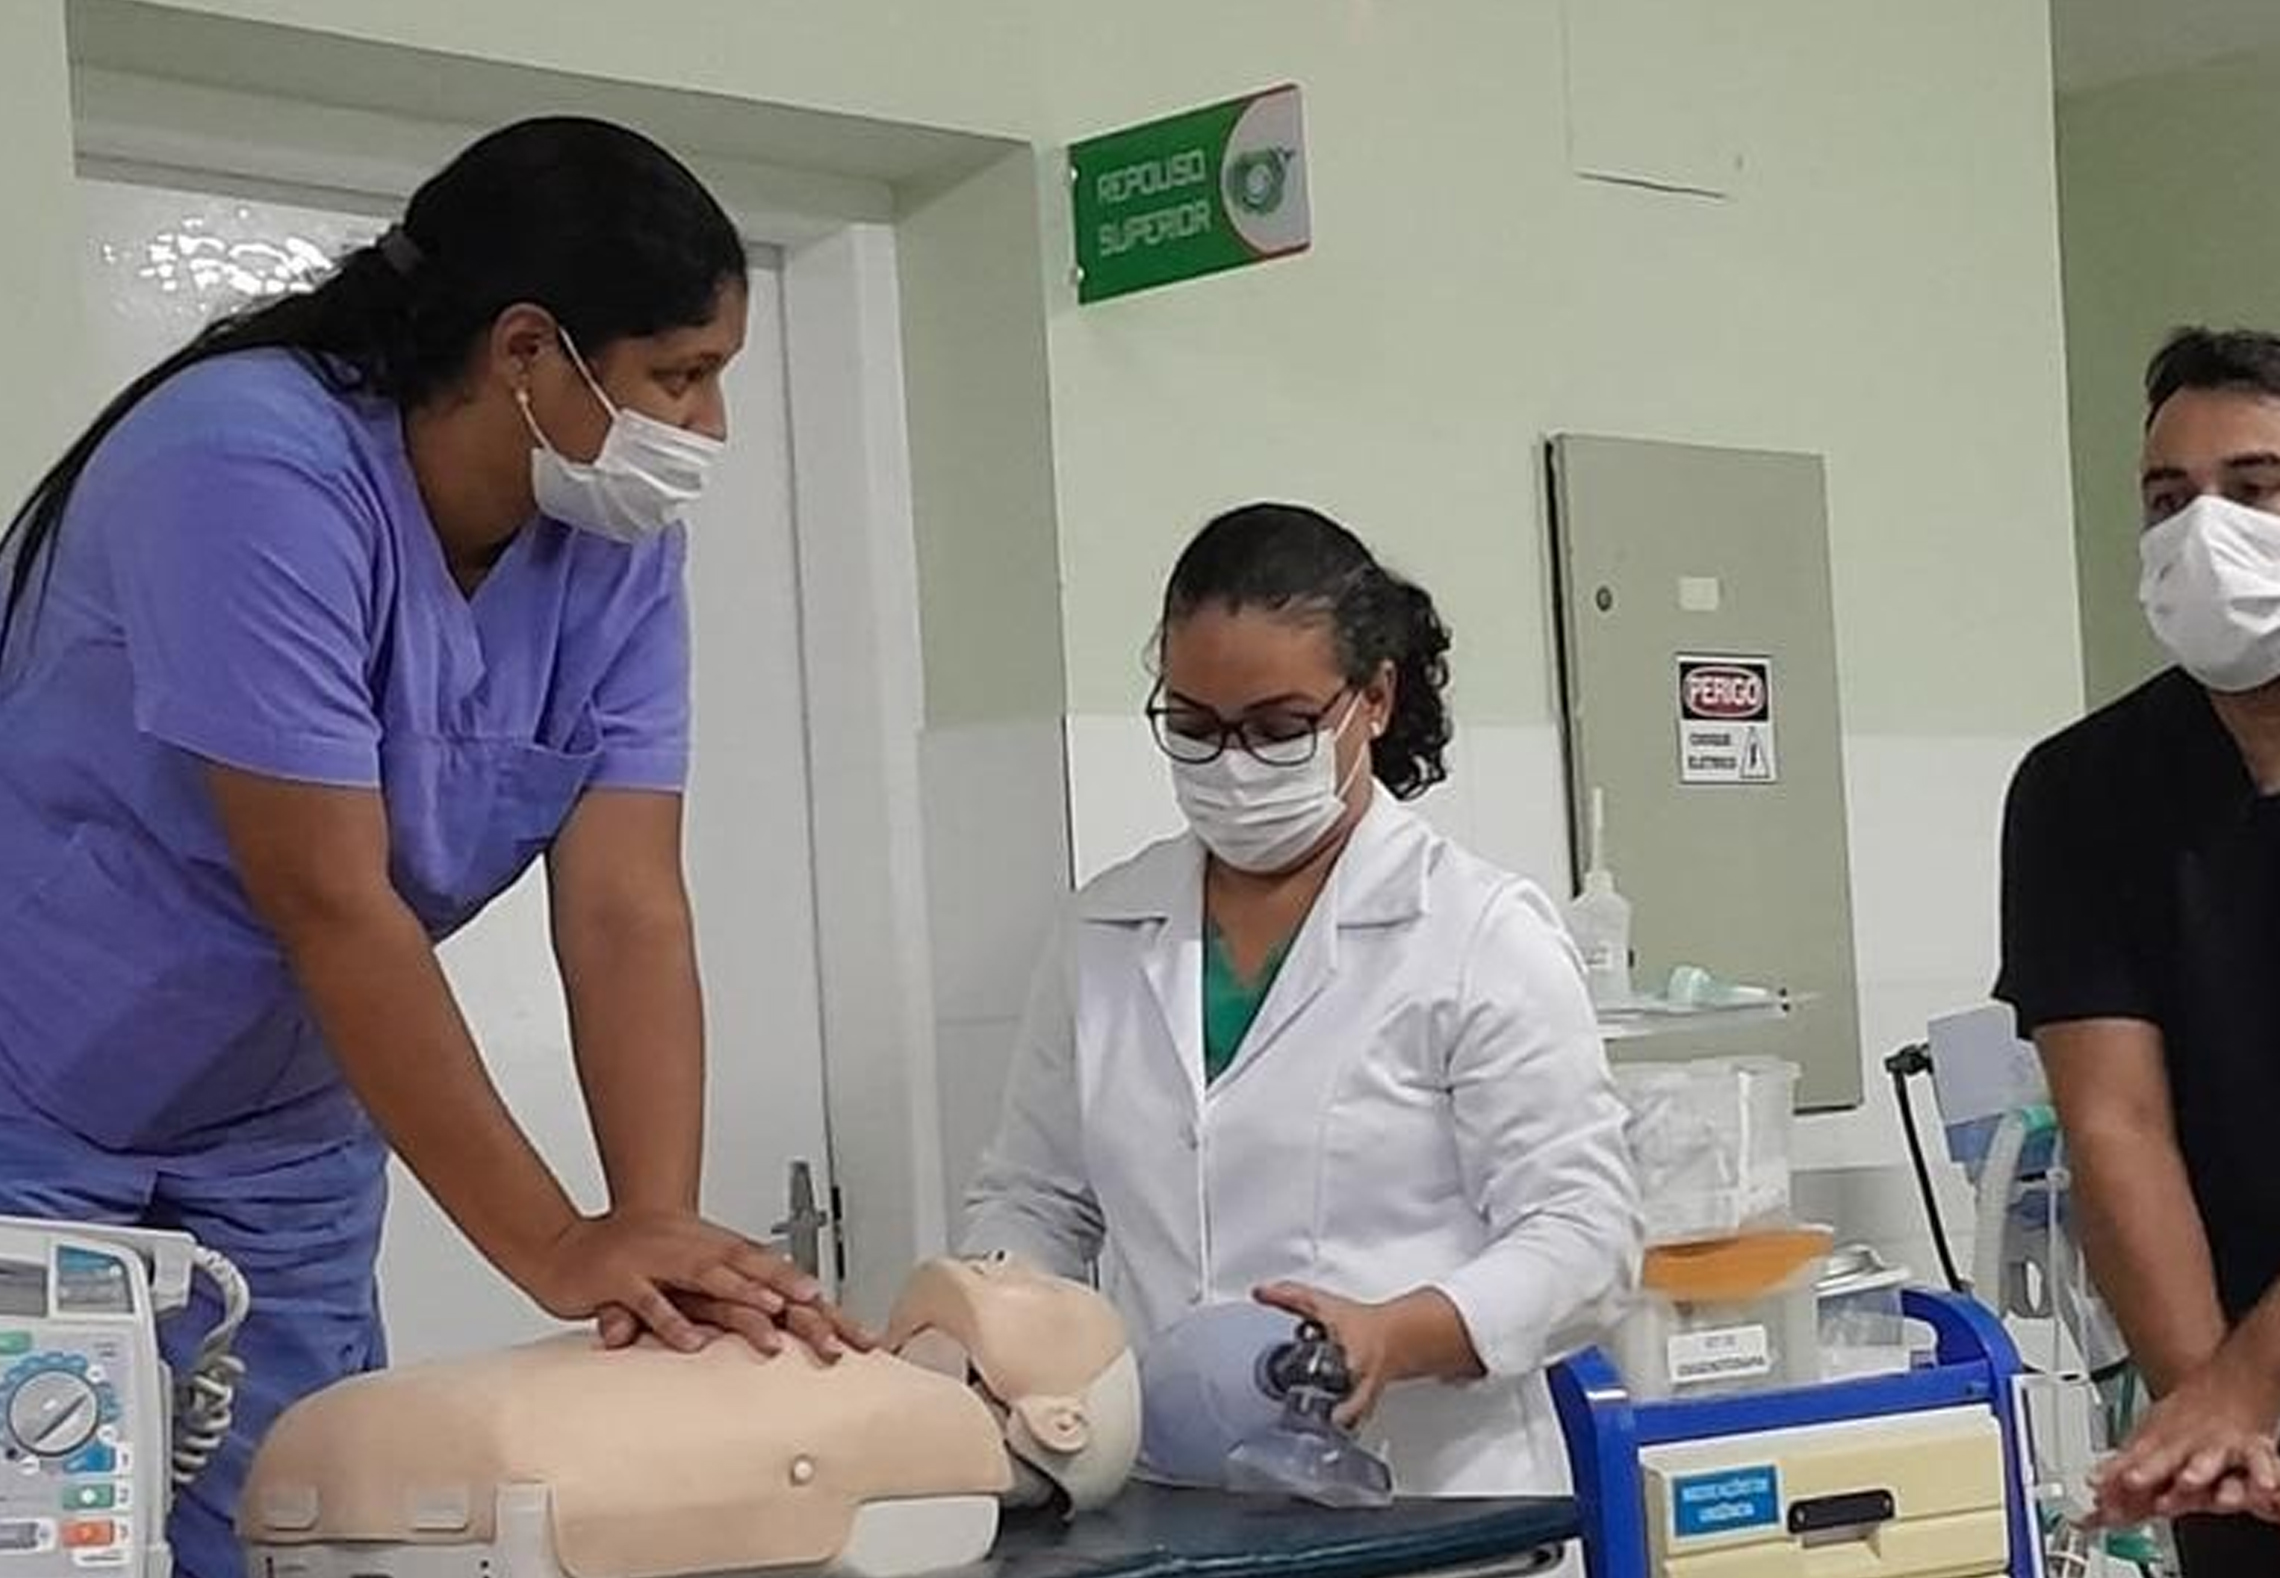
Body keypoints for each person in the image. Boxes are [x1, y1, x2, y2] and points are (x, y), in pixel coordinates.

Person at [0, 118, 859, 1578]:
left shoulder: (619, 546)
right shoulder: (246, 466)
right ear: (530, 347)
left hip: (279, 1134)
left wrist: (653, 1238)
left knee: (309, 1523)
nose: (707, 430)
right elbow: (331, 901)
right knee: (52, 1536)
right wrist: (554, 1243)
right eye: (682, 376)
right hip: (32, 1101)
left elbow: (628, 908)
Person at [963, 502, 1638, 1496]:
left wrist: (1392, 1337)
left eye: (1277, 728)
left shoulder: (1476, 931)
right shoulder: (1105, 930)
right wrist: (990, 1322)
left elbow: (1585, 1235)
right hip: (1169, 1502)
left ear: (1371, 697)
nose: (1232, 764)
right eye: (1193, 726)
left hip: (1429, 1502)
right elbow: (1037, 1197)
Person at [1997, 326, 2280, 1575]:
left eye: (2254, 490)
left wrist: (2244, 1388)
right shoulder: (2081, 791)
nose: (2202, 531)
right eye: (2166, 498)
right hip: (2249, 1427)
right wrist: (2209, 1427)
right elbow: (2114, 1125)